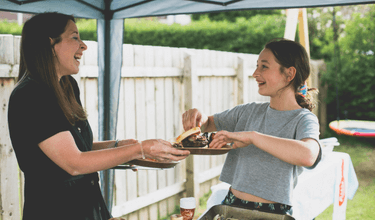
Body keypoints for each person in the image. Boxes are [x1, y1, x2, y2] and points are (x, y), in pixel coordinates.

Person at [7, 12, 190, 220]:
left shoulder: (66, 86)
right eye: (75, 37)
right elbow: (74, 163)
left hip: (89, 208)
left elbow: (78, 147)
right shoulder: (30, 95)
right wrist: (138, 149)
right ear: (50, 44)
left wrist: (120, 146)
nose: (83, 45)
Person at [182, 38, 322, 215]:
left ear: (289, 74)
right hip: (230, 207)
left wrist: (253, 137)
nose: (255, 73)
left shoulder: (303, 119)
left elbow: (309, 155)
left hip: (272, 214)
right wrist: (198, 117)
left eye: (264, 66)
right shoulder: (248, 111)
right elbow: (208, 123)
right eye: (257, 66)